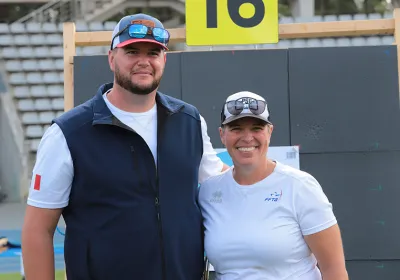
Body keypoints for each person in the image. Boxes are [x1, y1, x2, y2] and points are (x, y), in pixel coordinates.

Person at [21, 13, 229, 280]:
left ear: (164, 59)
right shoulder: (68, 134)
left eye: (153, 52)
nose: (144, 61)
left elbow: (222, 181)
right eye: (132, 51)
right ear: (111, 58)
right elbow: (37, 229)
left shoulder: (189, 122)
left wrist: (280, 180)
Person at [198, 91, 348, 280]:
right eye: (236, 128)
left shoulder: (300, 187)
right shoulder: (209, 192)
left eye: (256, 128)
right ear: (222, 134)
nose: (247, 137)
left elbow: (334, 271)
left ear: (270, 132)